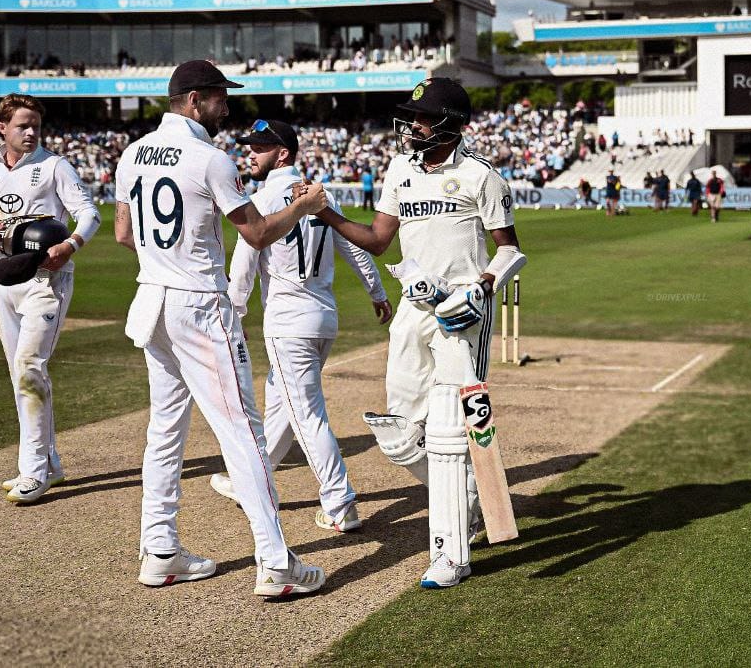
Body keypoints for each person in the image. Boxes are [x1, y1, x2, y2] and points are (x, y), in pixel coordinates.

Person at [114, 60, 329, 597]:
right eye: (218, 98)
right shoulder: (210, 159)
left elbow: (122, 233)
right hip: (198, 307)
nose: (226, 107)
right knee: (244, 434)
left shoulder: (130, 153)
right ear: (192, 101)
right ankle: (276, 563)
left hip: (151, 299)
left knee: (165, 430)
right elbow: (256, 234)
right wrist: (302, 206)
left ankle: (160, 550)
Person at [315, 77, 527, 589]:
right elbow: (380, 241)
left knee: (450, 431)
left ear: (452, 124)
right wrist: (327, 214)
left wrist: (482, 286)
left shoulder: (481, 177)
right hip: (414, 307)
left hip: (463, 313)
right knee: (397, 430)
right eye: (412, 116)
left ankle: (451, 554)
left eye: (423, 117)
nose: (413, 125)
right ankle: (471, 497)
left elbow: (510, 249)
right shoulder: (400, 169)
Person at [209, 119, 393, 534]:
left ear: (283, 153)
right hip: (323, 320)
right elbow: (355, 246)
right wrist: (377, 292)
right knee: (281, 402)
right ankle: (248, 482)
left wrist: (234, 313)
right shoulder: (317, 195)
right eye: (249, 146)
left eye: (259, 147)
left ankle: (339, 501)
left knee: (306, 414)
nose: (250, 153)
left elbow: (243, 265)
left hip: (288, 323)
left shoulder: (261, 199)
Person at [0, 93, 100, 504]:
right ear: (2, 128)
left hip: (46, 281)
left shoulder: (55, 166)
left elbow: (89, 213)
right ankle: (49, 462)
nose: (31, 131)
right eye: (23, 125)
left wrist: (70, 244)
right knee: (18, 373)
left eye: (36, 124)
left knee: (28, 367)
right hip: (6, 280)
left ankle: (33, 471)